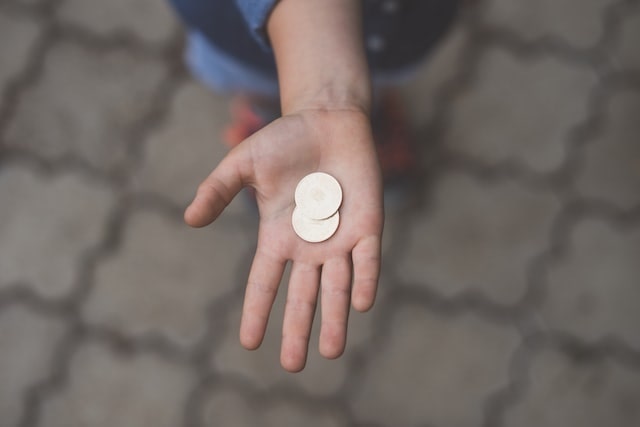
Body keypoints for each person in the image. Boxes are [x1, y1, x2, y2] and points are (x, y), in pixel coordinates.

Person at [168, 0, 459, 372]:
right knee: (256, 81)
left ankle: (366, 114)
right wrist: (323, 96)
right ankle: (273, 114)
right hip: (238, 32)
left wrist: (335, 100)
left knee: (379, 79)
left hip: (405, 25)